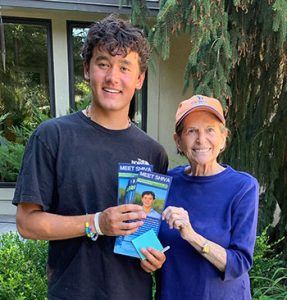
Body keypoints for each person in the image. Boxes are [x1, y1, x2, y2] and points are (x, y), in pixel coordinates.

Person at [13, 15, 168, 300]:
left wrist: (152, 257)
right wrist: (97, 223)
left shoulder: (153, 152)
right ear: (87, 69)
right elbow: (27, 223)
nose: (112, 77)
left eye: (124, 67)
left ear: (139, 79)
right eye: (103, 64)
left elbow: (146, 229)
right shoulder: (52, 137)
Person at [157, 95, 259, 300]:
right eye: (192, 131)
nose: (201, 140)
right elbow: (146, 242)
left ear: (223, 138)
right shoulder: (164, 182)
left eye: (210, 130)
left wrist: (192, 236)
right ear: (178, 140)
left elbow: (239, 263)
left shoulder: (243, 187)